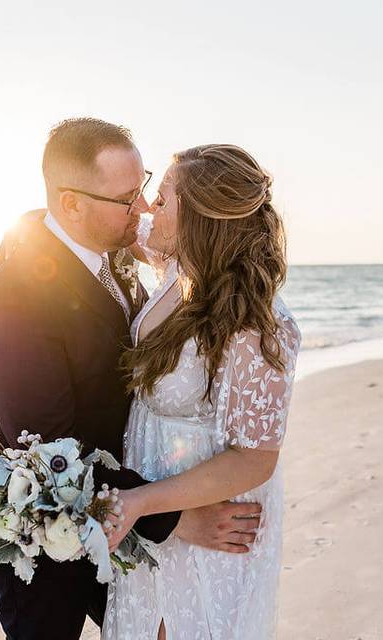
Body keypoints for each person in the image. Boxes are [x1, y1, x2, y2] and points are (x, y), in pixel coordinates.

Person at [0, 120, 264, 640]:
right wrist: (175, 519)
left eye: (144, 188)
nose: (142, 208)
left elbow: (191, 249)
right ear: (72, 203)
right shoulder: (17, 297)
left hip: (121, 503)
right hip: (40, 524)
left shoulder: (111, 247)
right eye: (126, 198)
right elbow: (50, 447)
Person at [102, 144, 302, 639]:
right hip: (156, 517)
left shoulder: (259, 326)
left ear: (199, 219)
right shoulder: (176, 267)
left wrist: (142, 503)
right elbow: (113, 226)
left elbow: (255, 458)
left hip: (206, 521)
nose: (149, 209)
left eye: (163, 199)